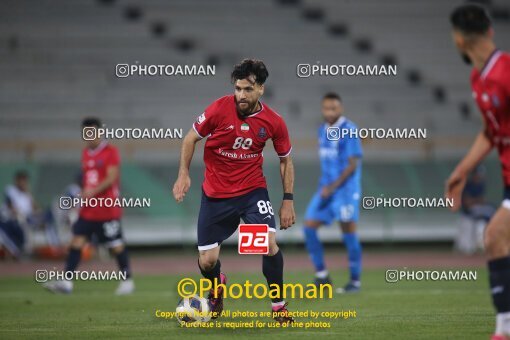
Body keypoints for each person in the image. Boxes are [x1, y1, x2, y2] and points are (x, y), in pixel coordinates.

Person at [172, 59, 296, 324]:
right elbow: (190, 138)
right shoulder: (219, 109)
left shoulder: (274, 121)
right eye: (238, 88)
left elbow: (285, 160)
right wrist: (183, 173)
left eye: (248, 89)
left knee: (267, 244)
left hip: (252, 193)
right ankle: (217, 287)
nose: (241, 94)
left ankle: (279, 306)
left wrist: (288, 200)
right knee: (207, 261)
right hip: (216, 196)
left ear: (261, 88)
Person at [445, 5, 510, 339]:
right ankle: (504, 328)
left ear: (458, 38)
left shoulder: (506, 71)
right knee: (496, 237)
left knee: (495, 235)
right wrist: (462, 171)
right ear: (489, 30)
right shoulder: (478, 78)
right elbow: (490, 131)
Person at [43, 117, 134, 295]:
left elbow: (111, 177)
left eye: (93, 132)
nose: (90, 136)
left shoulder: (110, 151)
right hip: (89, 209)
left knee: (115, 245)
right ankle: (66, 282)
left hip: (107, 208)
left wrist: (92, 191)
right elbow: (87, 179)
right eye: (86, 133)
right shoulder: (85, 153)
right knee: (76, 242)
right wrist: (84, 194)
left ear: (100, 132)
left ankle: (127, 281)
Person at [302, 93, 363, 293]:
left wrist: (333, 186)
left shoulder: (349, 130)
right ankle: (322, 276)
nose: (330, 112)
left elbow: (352, 165)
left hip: (344, 191)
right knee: (309, 227)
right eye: (326, 108)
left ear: (341, 109)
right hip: (326, 190)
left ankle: (354, 282)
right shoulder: (322, 130)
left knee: (348, 233)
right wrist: (326, 187)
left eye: (333, 108)